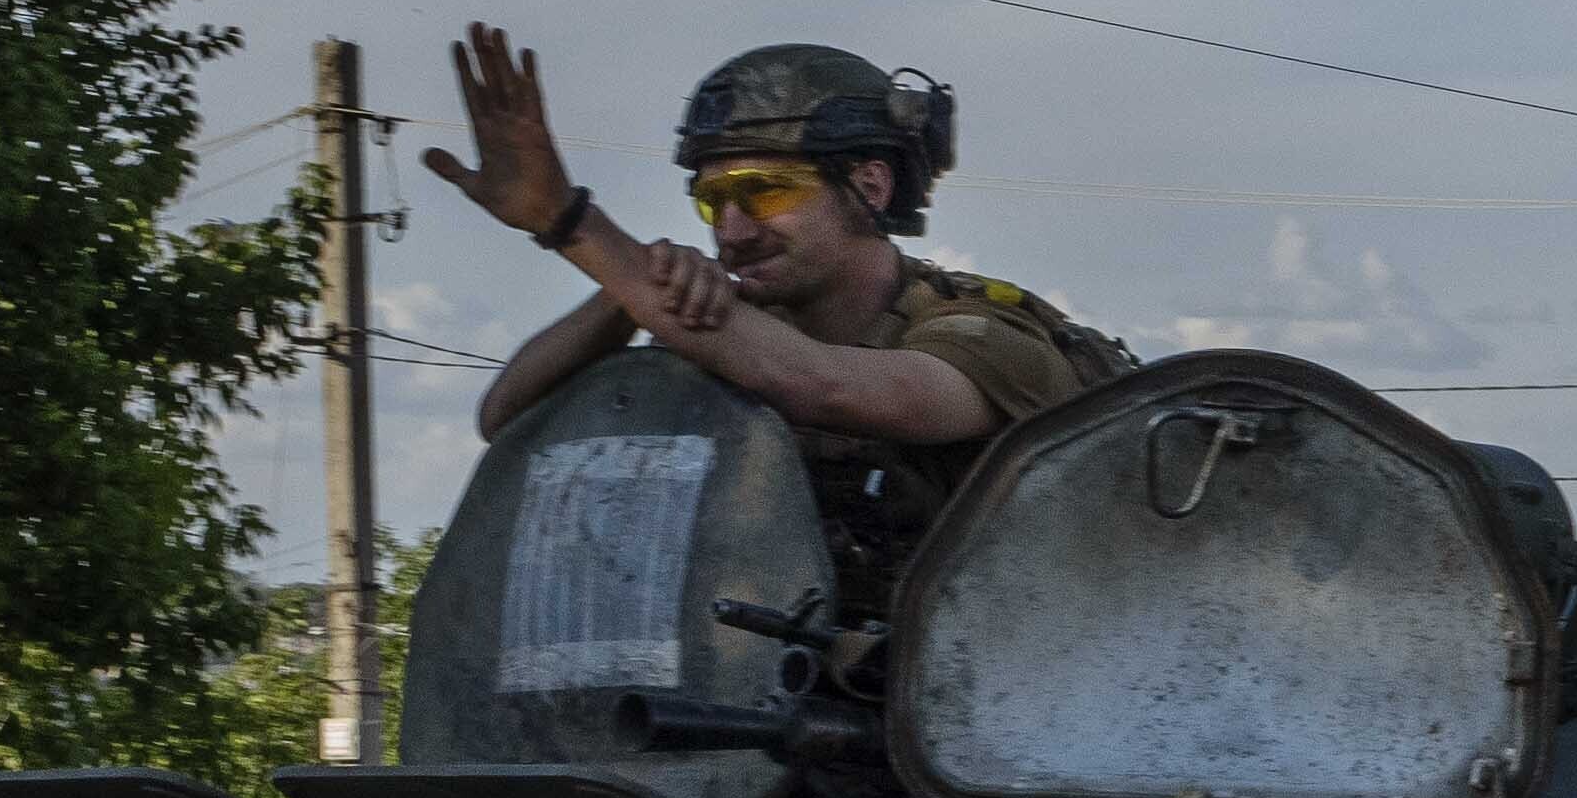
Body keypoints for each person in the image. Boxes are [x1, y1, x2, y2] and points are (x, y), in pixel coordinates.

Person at [422, 31, 1128, 622]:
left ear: (870, 186)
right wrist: (625, 293)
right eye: (712, 202)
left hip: (980, 735)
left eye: (765, 191)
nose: (732, 230)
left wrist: (570, 224)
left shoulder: (981, 334)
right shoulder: (735, 331)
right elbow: (507, 417)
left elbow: (823, 386)